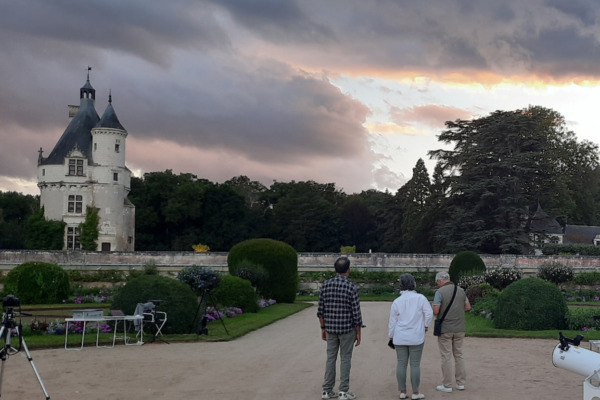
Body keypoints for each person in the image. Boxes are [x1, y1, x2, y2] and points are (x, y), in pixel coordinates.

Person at [317, 256, 363, 400]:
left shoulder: (326, 285)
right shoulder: (351, 287)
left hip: (330, 328)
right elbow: (356, 313)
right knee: (345, 358)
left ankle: (327, 390)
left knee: (330, 358)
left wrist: (323, 328)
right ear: (348, 270)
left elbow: (321, 310)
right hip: (346, 329)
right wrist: (359, 332)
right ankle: (343, 390)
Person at [388, 273, 433, 400]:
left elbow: (392, 322)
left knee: (401, 364)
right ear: (413, 283)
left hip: (400, 336)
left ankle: (402, 391)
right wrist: (425, 325)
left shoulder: (397, 301)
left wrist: (391, 336)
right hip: (416, 335)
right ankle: (415, 392)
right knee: (415, 364)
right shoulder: (421, 298)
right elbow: (429, 313)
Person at [432, 271, 471, 393]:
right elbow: (468, 307)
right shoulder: (461, 290)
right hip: (459, 328)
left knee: (446, 356)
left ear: (440, 281)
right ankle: (461, 383)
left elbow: (436, 311)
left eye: (437, 282)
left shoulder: (440, 292)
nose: (438, 284)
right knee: (459, 355)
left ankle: (447, 385)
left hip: (446, 329)